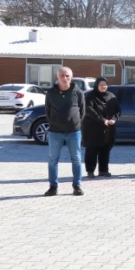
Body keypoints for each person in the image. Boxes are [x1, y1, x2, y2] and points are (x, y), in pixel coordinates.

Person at [44, 67, 85, 196]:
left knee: (77, 159)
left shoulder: (78, 92)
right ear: (58, 77)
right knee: (53, 160)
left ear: (71, 77)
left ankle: (77, 186)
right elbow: (48, 110)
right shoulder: (51, 93)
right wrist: (54, 123)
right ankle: (53, 186)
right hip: (55, 132)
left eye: (67, 75)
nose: (64, 78)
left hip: (74, 132)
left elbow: (82, 111)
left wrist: (75, 123)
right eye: (62, 75)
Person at [82, 77, 120, 179]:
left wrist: (114, 119)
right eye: (101, 85)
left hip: (108, 129)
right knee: (92, 150)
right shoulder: (90, 96)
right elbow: (89, 110)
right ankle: (90, 170)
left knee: (105, 149)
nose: (103, 87)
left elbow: (118, 110)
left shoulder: (111, 96)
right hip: (93, 128)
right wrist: (103, 120)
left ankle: (103, 170)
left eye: (105, 85)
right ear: (96, 85)